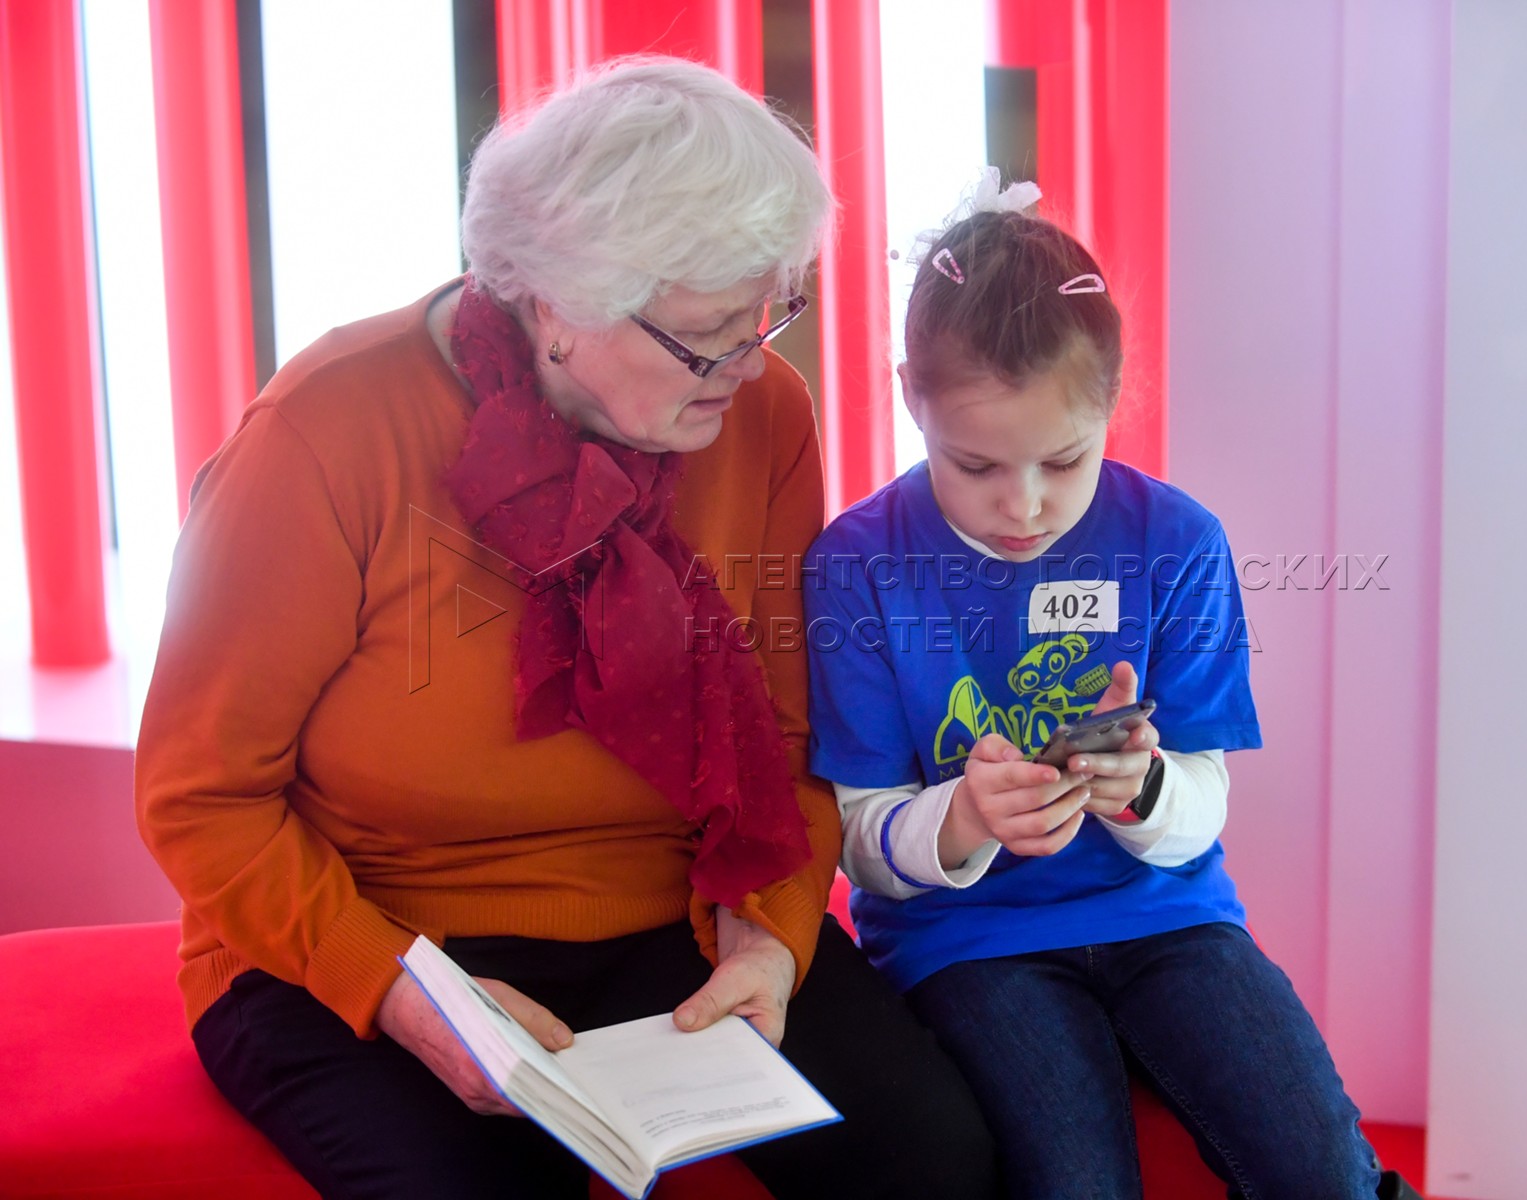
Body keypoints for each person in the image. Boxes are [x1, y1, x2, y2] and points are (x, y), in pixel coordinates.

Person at [135, 58, 997, 1200]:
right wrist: (400, 988)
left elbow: (793, 736)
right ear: (557, 303)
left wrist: (772, 937)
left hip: (679, 914)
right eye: (707, 333)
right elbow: (199, 798)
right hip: (369, 928)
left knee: (934, 1159)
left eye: (768, 312)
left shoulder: (763, 414)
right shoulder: (326, 431)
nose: (751, 360)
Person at [804, 182, 1420, 1200]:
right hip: (968, 943)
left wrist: (1144, 790)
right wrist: (962, 820)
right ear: (911, 396)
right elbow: (861, 841)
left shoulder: (1176, 542)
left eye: (1064, 460)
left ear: (1113, 399)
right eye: (974, 465)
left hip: (1171, 919)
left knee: (1320, 1166)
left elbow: (1202, 806)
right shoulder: (858, 565)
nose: (1024, 507)